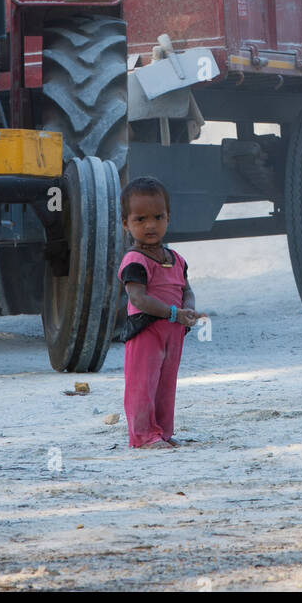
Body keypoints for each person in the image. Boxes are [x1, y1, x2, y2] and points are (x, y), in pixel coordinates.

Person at [118, 176, 202, 448]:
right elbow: (138, 298)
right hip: (146, 331)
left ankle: (163, 432)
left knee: (166, 385)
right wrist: (173, 313)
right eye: (140, 219)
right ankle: (143, 436)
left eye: (158, 216)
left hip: (173, 331)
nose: (150, 225)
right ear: (125, 224)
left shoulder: (176, 259)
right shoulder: (135, 260)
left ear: (168, 217)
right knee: (142, 384)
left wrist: (188, 308)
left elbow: (185, 288)